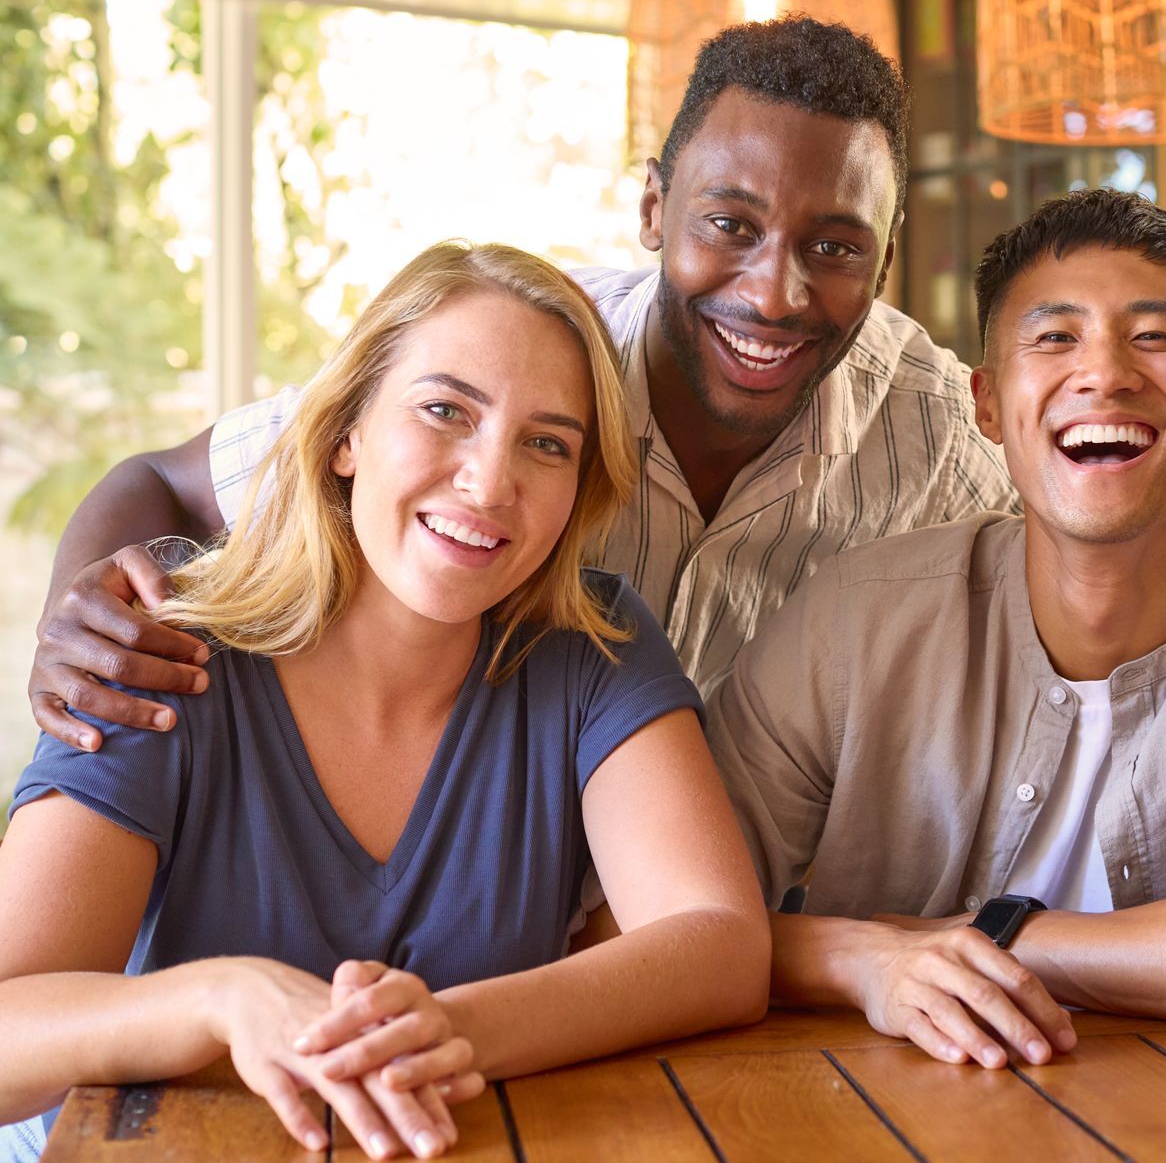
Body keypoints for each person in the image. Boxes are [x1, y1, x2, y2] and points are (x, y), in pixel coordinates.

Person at [30, 18, 1166, 752]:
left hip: (719, 920)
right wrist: (78, 615)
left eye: (835, 248)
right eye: (731, 226)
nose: (774, 292)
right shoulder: (514, 361)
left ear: (886, 256)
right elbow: (155, 477)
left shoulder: (933, 419)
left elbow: (1091, 522)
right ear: (655, 209)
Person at [0, 243, 769, 1160]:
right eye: (446, 410)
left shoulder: (593, 649)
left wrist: (448, 1028)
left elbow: (721, 944)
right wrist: (221, 999)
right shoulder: (164, 639)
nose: (490, 482)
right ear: (345, 434)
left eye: (547, 443)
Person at [705, 190, 1166, 1067]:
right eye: (1054, 338)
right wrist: (862, 960)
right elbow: (658, 917)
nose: (1106, 373)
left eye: (1156, 336)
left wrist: (972, 937)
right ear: (986, 402)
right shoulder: (857, 619)